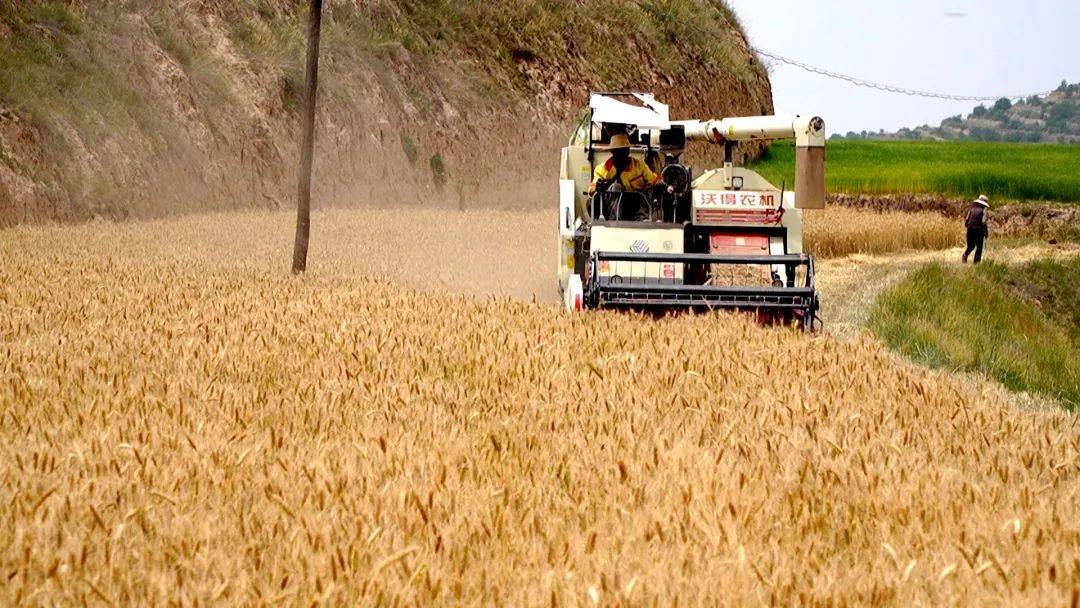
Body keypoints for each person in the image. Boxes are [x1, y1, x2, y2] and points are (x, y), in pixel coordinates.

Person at [589, 134, 661, 220]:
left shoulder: (639, 165)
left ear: (628, 151)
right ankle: (614, 221)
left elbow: (654, 179)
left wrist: (660, 182)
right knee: (616, 186)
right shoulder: (602, 169)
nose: (622, 154)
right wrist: (597, 187)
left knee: (651, 187)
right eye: (618, 151)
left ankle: (641, 219)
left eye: (624, 150)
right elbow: (591, 190)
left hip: (636, 204)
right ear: (612, 152)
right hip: (613, 206)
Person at [962, 194, 990, 264]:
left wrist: (969, 228)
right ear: (984, 204)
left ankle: (965, 255)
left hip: (970, 229)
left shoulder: (971, 210)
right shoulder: (983, 211)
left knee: (971, 246)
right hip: (978, 231)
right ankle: (976, 263)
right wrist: (986, 233)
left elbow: (966, 221)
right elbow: (983, 223)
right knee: (979, 247)